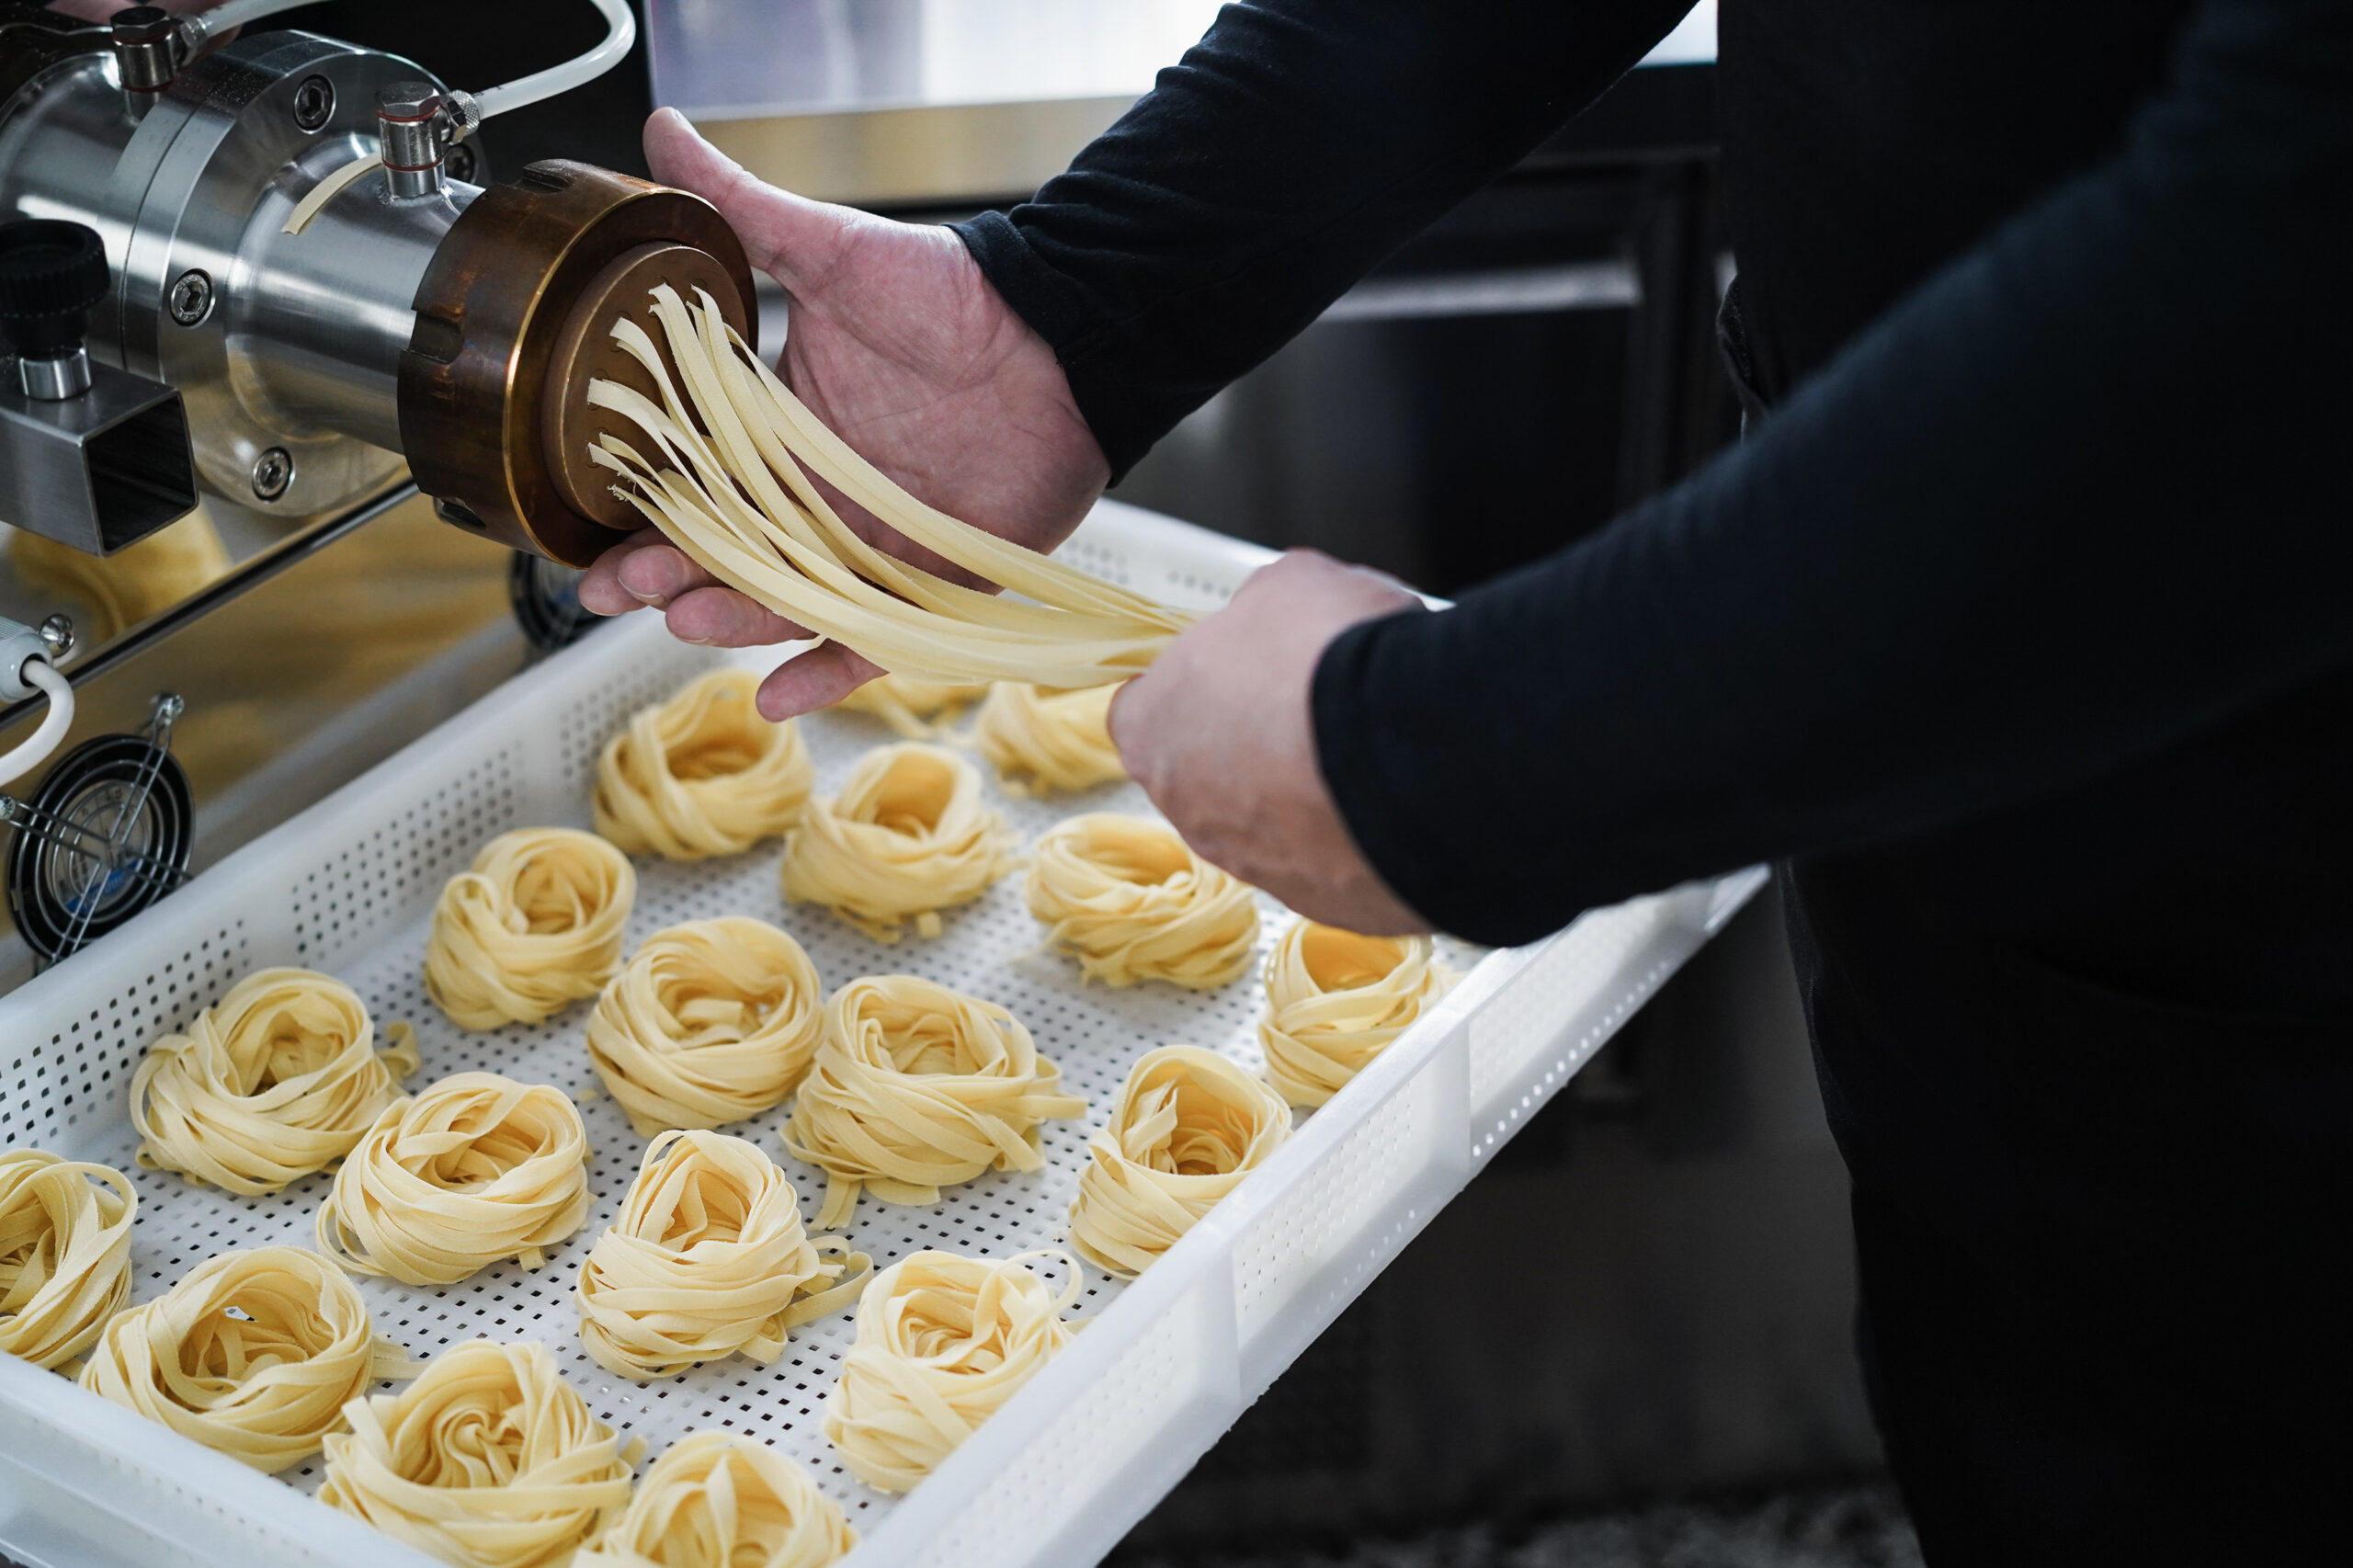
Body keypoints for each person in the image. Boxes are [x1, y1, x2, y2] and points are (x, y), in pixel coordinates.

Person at [577, 3, 2353, 1559]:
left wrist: (1438, 763)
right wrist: (1081, 305)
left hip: (2265, 812)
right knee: (2032, 1406)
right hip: (1954, 760)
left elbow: (2286, 279)